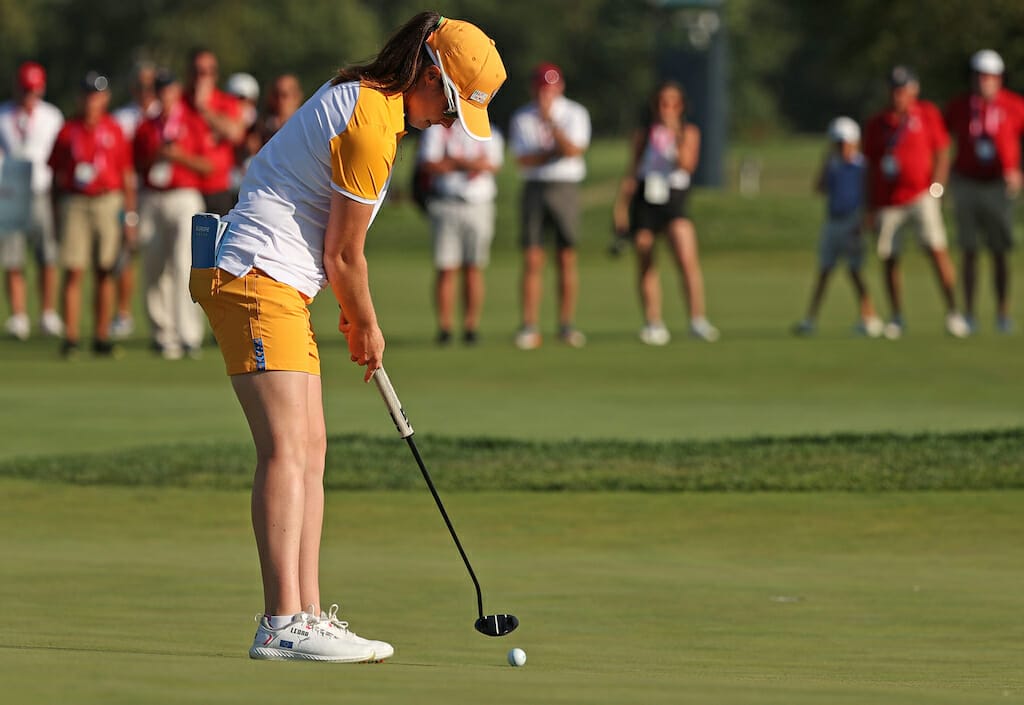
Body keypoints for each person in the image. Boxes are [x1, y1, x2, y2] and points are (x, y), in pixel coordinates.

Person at [188, 12, 505, 662]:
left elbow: (333, 254)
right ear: (427, 74)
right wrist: (366, 324)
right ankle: (281, 621)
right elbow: (343, 255)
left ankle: (306, 613)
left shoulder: (375, 105)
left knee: (311, 450)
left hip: (280, 283)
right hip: (256, 277)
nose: (449, 122)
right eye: (451, 106)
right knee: (286, 450)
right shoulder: (370, 122)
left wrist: (355, 318)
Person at [863, 65, 970, 339]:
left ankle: (953, 312)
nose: (898, 95)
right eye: (894, 90)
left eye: (903, 90)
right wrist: (869, 206)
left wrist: (937, 188)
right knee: (889, 258)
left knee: (936, 250)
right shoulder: (877, 123)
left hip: (922, 195)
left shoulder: (927, 114)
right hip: (888, 200)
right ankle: (896, 316)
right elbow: (870, 167)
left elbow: (942, 151)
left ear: (914, 90)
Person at [612, 80, 719, 345]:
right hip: (646, 196)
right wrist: (621, 208)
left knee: (685, 256)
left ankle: (697, 319)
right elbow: (631, 172)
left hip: (674, 197)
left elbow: (686, 164)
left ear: (680, 107)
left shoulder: (688, 132)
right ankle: (653, 322)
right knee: (645, 257)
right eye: (662, 103)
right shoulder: (644, 134)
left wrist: (675, 135)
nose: (666, 108)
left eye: (672, 104)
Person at [48, 71, 136, 358]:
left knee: (105, 270)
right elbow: (55, 176)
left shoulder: (114, 129)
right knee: (73, 269)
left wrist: (130, 215)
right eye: (87, 95)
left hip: (107, 201)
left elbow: (126, 174)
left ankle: (101, 335)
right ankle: (71, 336)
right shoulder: (67, 130)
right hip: (75, 201)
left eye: (96, 95)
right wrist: (54, 212)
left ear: (105, 98)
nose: (91, 101)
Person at [508, 62, 591, 349]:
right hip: (534, 187)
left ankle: (566, 325)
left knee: (566, 257)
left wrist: (551, 124)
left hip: (565, 187)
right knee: (532, 258)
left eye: (551, 88)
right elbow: (524, 160)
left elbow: (573, 150)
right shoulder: (522, 117)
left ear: (560, 87)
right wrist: (553, 153)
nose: (547, 94)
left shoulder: (575, 113)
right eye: (542, 88)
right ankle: (529, 325)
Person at [134, 70, 213, 359]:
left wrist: (178, 156)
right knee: (154, 266)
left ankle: (188, 334)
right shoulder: (147, 125)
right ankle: (162, 334)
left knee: (183, 265)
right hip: (153, 197)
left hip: (184, 195)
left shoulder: (192, 122)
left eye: (168, 89)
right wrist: (156, 156)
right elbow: (137, 165)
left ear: (176, 91)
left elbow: (208, 166)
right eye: (159, 89)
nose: (164, 94)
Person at [944, 49, 1024, 334]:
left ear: (999, 78)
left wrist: (1018, 170)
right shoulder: (960, 106)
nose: (984, 81)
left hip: (998, 185)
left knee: (1000, 251)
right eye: (979, 76)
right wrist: (943, 179)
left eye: (989, 76)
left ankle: (1003, 313)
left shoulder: (1015, 105)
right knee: (969, 250)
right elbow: (942, 141)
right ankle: (969, 314)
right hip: (966, 182)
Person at [793, 116, 883, 338]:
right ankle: (810, 319)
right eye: (838, 143)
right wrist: (825, 163)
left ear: (854, 142)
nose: (842, 148)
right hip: (832, 222)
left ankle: (869, 316)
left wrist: (866, 221)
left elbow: (869, 196)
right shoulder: (832, 165)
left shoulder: (863, 166)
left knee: (855, 271)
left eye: (845, 143)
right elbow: (819, 189)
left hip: (853, 222)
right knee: (825, 270)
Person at [417, 121, 504, 345]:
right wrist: (467, 164)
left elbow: (492, 164)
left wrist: (454, 162)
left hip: (478, 203)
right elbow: (429, 163)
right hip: (446, 202)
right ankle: (445, 327)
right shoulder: (438, 129)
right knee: (446, 267)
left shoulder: (488, 130)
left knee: (473, 267)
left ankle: (470, 327)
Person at [0, 61, 64, 341]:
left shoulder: (52, 116)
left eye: (34, 90)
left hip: (41, 190)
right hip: (11, 193)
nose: (29, 95)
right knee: (12, 257)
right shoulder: (3, 114)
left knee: (47, 254)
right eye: (25, 89)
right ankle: (18, 315)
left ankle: (47, 313)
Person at [110, 62, 160, 340]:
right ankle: (123, 313)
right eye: (141, 86)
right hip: (127, 192)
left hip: (155, 191)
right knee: (125, 253)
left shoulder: (165, 114)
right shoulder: (122, 118)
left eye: (150, 86)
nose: (146, 91)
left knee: (158, 256)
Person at [186, 48, 246, 215]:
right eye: (198, 71)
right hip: (187, 189)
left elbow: (235, 133)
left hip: (217, 188)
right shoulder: (179, 101)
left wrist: (204, 108)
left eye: (208, 72)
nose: (202, 77)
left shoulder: (226, 102)